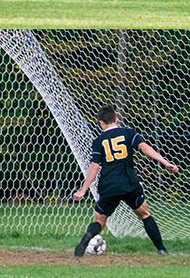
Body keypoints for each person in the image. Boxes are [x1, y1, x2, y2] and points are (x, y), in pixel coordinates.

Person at [72, 104, 179, 257]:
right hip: (129, 183)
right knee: (144, 214)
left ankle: (87, 237)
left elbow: (94, 167)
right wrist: (165, 162)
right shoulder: (128, 133)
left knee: (99, 221)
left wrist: (83, 189)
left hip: (108, 185)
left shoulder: (98, 141)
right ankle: (162, 249)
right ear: (116, 119)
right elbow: (144, 147)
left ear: (101, 123)